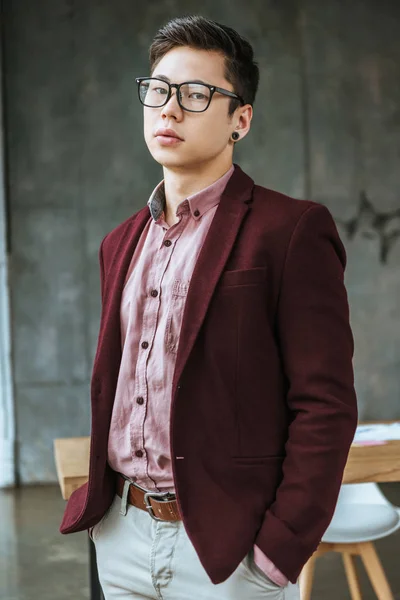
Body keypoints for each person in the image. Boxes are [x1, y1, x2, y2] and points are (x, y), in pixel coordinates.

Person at [60, 15, 358, 600]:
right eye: (158, 91)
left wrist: (278, 550)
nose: (169, 110)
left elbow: (325, 403)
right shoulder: (119, 243)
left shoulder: (290, 231)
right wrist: (104, 526)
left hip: (227, 553)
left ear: (239, 119)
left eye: (197, 95)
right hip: (119, 535)